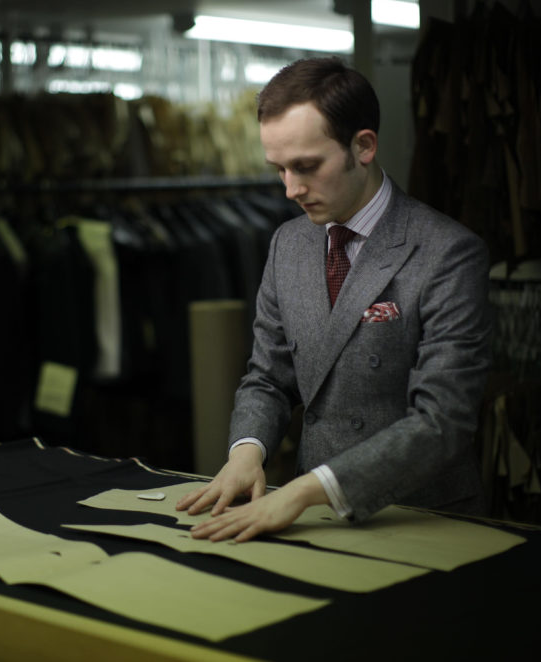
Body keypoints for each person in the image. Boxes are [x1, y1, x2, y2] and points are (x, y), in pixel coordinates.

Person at [176, 56, 492, 542]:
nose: (290, 189)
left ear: (363, 146)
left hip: (421, 517)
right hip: (311, 520)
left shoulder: (447, 252)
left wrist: (304, 490)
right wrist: (247, 450)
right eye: (279, 169)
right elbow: (268, 376)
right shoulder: (289, 244)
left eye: (306, 166)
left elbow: (441, 421)